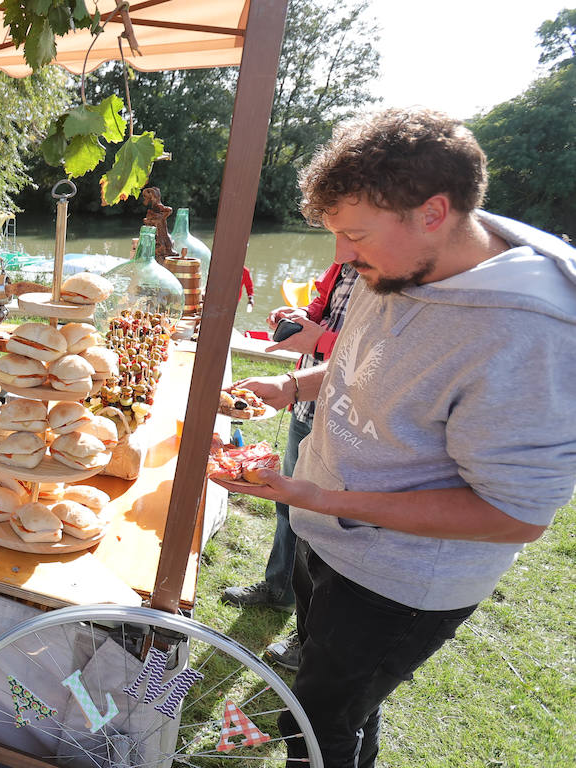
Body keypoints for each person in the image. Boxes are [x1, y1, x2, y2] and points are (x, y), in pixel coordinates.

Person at [215, 108, 576, 768]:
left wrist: (317, 499)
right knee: (340, 703)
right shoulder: (401, 261)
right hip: (330, 534)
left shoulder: (531, 334)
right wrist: (293, 388)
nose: (342, 258)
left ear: (434, 211)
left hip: (400, 587)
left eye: (354, 235)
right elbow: (365, 356)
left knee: (315, 726)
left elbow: (514, 516)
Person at [221, 261, 359, 636]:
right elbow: (322, 308)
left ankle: (313, 630)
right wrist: (300, 317)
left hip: (345, 420)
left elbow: (378, 355)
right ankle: (280, 587)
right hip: (307, 402)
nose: (340, 244)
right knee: (289, 505)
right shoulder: (347, 261)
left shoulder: (396, 270)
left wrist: (318, 341)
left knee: (326, 522)